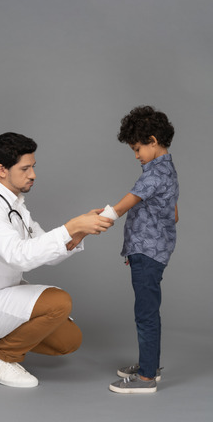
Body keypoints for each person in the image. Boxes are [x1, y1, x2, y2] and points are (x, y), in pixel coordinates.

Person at [0, 132, 114, 388]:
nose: (33, 174)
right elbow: (19, 256)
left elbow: (44, 248)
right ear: (1, 169)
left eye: (33, 167)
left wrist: (79, 231)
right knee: (59, 302)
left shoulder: (17, 206)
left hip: (3, 296)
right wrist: (70, 227)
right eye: (25, 168)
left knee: (68, 340)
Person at [100, 106, 179, 394]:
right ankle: (150, 364)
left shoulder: (152, 176)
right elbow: (174, 215)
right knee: (147, 311)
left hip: (148, 255)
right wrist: (139, 245)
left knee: (145, 314)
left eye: (137, 149)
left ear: (153, 140)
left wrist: (78, 231)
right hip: (150, 252)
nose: (136, 156)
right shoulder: (168, 170)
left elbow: (119, 209)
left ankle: (147, 378)